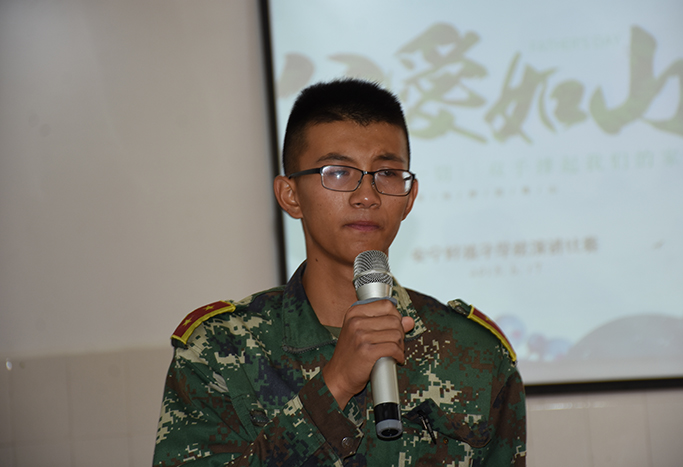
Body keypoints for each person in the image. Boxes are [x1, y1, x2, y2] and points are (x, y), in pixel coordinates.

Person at [153, 78, 526, 466]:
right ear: (290, 195)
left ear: (409, 198)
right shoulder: (219, 351)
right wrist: (336, 384)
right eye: (337, 172)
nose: (367, 196)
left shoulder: (477, 355)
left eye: (387, 173)